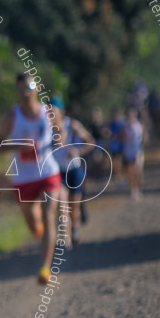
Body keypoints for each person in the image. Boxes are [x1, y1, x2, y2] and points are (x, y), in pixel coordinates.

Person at [0, 74, 63, 283]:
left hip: (48, 172)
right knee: (33, 223)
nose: (26, 92)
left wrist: (61, 142)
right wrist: (18, 146)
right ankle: (37, 229)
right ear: (17, 91)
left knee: (48, 216)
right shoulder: (11, 117)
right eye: (21, 88)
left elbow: (60, 132)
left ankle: (45, 269)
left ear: (37, 88)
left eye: (30, 87)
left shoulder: (50, 113)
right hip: (23, 177)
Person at [50, 98, 96, 246]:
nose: (51, 114)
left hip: (74, 170)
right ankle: (65, 236)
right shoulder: (45, 128)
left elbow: (91, 141)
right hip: (57, 172)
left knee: (74, 206)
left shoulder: (73, 125)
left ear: (61, 111)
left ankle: (75, 228)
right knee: (61, 206)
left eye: (54, 110)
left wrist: (79, 150)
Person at [122, 107, 145, 200]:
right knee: (131, 172)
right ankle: (133, 190)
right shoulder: (125, 126)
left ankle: (139, 188)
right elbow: (122, 138)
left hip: (138, 150)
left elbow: (143, 137)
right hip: (128, 151)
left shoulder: (139, 125)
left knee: (138, 171)